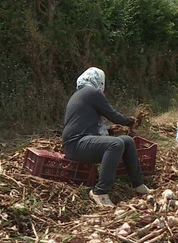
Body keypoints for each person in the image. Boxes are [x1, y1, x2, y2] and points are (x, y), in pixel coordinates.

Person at [62, 67, 151, 207]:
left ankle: (138, 184)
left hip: (81, 142)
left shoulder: (83, 93)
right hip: (76, 144)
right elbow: (112, 114)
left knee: (127, 141)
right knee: (115, 144)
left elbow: (88, 124)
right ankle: (100, 192)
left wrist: (109, 130)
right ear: (98, 81)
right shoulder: (92, 92)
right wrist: (130, 121)